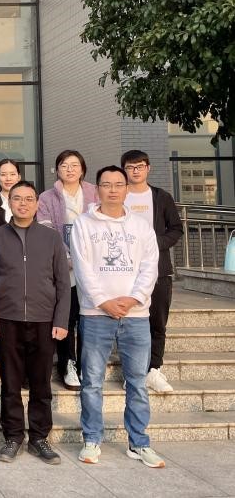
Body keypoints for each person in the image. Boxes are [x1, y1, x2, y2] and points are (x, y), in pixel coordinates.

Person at [71, 166, 163, 468]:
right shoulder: (83, 224)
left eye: (118, 184)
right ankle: (92, 439)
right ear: (97, 188)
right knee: (92, 382)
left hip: (136, 316)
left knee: (137, 382)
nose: (112, 190)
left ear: (126, 188)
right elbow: (82, 268)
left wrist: (134, 298)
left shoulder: (141, 226)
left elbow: (150, 266)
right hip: (95, 314)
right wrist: (103, 302)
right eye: (106, 184)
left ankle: (139, 443)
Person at [0, 181, 70, 465]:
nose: (23, 203)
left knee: (41, 384)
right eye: (17, 198)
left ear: (37, 204)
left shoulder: (51, 237)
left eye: (29, 199)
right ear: (10, 203)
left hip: (44, 320)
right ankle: (13, 436)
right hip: (6, 320)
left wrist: (61, 319)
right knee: (10, 383)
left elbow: (63, 283)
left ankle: (40, 438)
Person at [121, 150, 183, 392]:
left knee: (157, 322)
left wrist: (154, 244)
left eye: (140, 166)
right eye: (130, 167)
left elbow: (176, 229)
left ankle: (153, 369)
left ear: (148, 168)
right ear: (124, 170)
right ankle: (133, 371)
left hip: (158, 270)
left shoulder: (161, 197)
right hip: (124, 271)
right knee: (129, 324)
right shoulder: (119, 195)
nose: (135, 171)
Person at [38, 150, 98, 391]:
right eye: (64, 165)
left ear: (82, 169)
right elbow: (47, 230)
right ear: (57, 169)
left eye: (74, 165)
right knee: (67, 316)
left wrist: (85, 257)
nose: (70, 169)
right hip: (64, 267)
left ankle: (86, 365)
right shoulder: (46, 197)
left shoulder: (95, 193)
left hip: (93, 267)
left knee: (89, 318)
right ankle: (68, 364)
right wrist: (68, 257)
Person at [0, 159, 22, 226]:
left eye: (12, 174)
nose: (8, 178)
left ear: (19, 177)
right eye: (3, 175)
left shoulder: (30, 202)